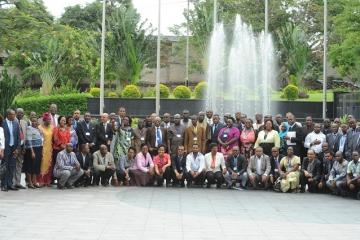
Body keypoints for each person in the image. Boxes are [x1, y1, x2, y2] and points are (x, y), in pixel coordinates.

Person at [1, 109, 21, 192]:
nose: (14, 116)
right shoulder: (2, 123)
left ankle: (10, 184)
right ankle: (4, 185)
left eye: (14, 114)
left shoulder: (16, 124)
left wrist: (17, 149)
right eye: (13, 114)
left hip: (14, 148)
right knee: (5, 166)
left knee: (12, 166)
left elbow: (18, 138)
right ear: (8, 115)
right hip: (6, 148)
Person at [23, 117, 43, 189]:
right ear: (31, 122)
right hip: (31, 149)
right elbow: (29, 140)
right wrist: (32, 151)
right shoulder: (29, 128)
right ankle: (29, 182)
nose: (34, 122)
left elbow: (41, 138)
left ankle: (34, 181)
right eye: (33, 121)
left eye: (35, 121)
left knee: (36, 165)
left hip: (39, 148)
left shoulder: (38, 129)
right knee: (30, 165)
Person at [36, 113, 54, 187]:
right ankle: (41, 181)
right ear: (44, 120)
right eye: (48, 120)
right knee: (42, 163)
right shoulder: (39, 128)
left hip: (50, 149)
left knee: (49, 164)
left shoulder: (52, 127)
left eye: (50, 119)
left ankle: (48, 181)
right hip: (42, 148)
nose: (49, 121)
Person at [52, 115, 70, 183]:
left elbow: (68, 139)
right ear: (59, 121)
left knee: (64, 164)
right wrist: (61, 145)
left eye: (65, 120)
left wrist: (67, 146)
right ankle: (56, 179)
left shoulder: (67, 129)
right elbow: (55, 139)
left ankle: (62, 180)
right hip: (57, 149)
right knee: (58, 165)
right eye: (62, 120)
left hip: (65, 150)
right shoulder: (56, 129)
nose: (64, 121)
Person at [14, 108, 27, 189]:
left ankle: (18, 182)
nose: (20, 114)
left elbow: (24, 136)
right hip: (14, 148)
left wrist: (24, 146)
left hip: (22, 147)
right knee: (13, 165)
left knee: (19, 165)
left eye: (22, 113)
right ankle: (12, 182)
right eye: (19, 113)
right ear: (15, 113)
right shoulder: (12, 121)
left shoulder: (24, 122)